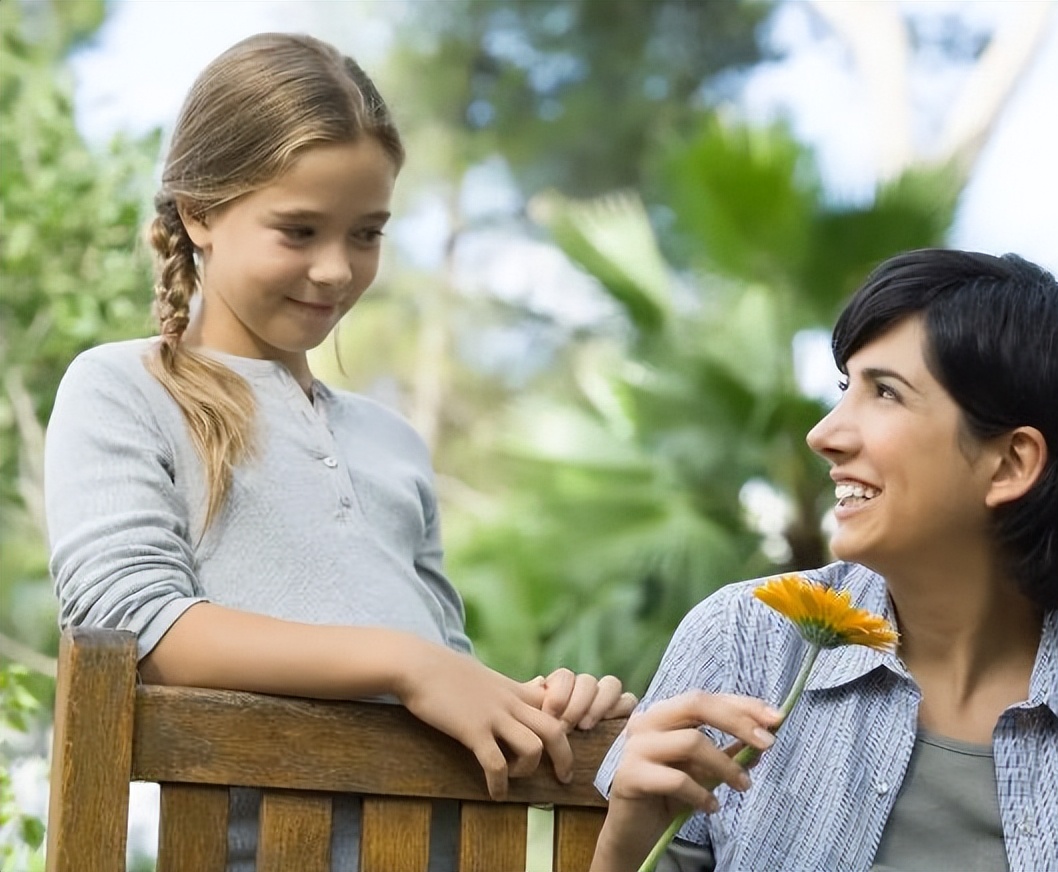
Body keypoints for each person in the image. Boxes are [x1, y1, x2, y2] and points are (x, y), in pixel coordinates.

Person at [43, 32, 634, 871]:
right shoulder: (121, 389)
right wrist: (405, 662)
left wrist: (534, 704)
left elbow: (444, 668)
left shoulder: (391, 441)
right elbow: (133, 627)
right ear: (200, 211)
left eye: (366, 233)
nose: (334, 270)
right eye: (299, 230)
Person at [590, 249, 1058, 871]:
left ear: (1011, 463)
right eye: (847, 386)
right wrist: (629, 836)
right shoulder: (745, 636)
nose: (825, 434)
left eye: (886, 393)